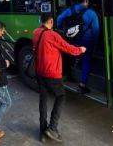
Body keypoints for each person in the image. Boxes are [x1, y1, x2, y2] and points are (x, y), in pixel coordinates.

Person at [33, 13, 86, 142]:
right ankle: (52, 128)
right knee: (61, 96)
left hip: (39, 71)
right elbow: (69, 49)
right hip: (52, 73)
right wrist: (81, 49)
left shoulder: (36, 32)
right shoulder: (52, 35)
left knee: (43, 99)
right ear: (51, 21)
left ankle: (42, 131)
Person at [56, 0, 99, 94]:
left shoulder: (69, 10)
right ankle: (82, 85)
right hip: (85, 42)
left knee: (69, 57)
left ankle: (67, 75)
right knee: (86, 61)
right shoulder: (91, 13)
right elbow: (96, 31)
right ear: (86, 1)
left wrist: (64, 30)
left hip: (70, 40)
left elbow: (58, 20)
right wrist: (95, 45)